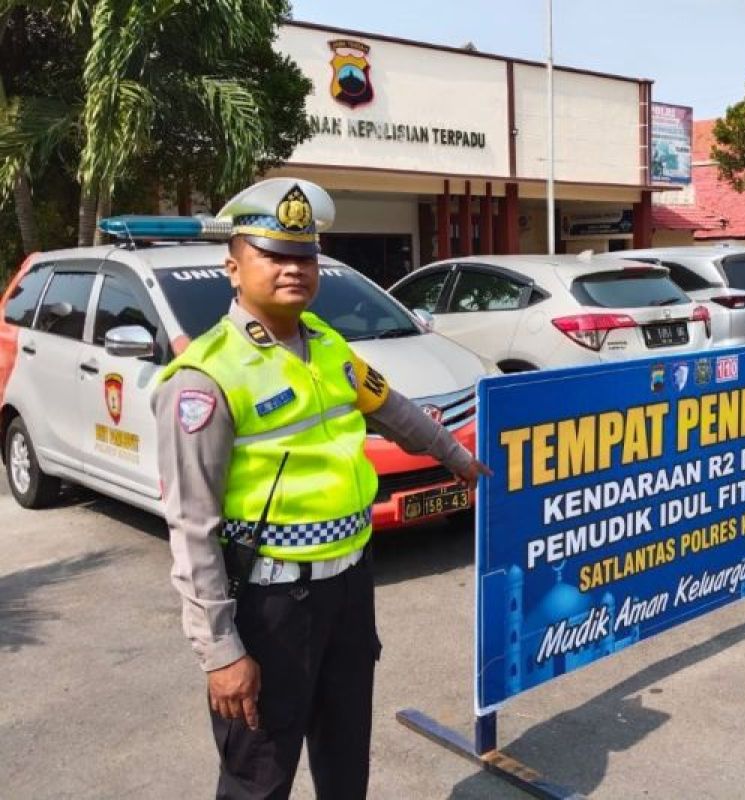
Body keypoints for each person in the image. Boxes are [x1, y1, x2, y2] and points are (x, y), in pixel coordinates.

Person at [152, 178, 491, 799]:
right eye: (273, 255)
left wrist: (458, 459)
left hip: (347, 592)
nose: (293, 269)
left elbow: (398, 412)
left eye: (304, 256)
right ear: (234, 267)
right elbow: (191, 528)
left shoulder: (329, 348)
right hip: (269, 608)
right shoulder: (206, 377)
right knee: (258, 778)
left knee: (345, 766)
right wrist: (221, 651)